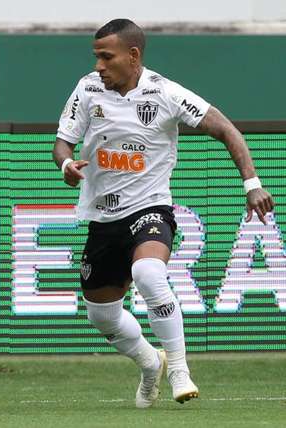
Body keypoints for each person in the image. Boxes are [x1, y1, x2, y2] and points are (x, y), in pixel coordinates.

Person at [53, 19, 274, 408]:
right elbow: (62, 144)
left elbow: (226, 129)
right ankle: (150, 361)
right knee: (101, 317)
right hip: (103, 219)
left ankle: (180, 371)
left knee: (149, 273)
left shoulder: (165, 93)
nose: (99, 65)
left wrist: (252, 184)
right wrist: (66, 165)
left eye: (107, 56)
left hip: (150, 208)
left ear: (133, 56)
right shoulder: (87, 89)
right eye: (96, 57)